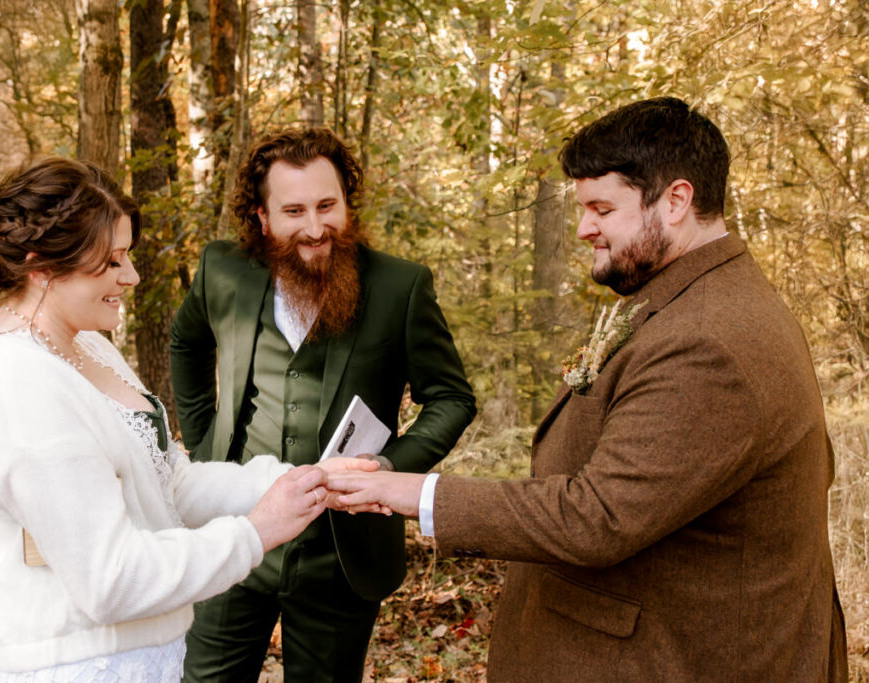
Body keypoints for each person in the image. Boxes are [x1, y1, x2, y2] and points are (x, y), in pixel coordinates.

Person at [328, 97, 848, 681]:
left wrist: (410, 493)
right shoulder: (688, 297)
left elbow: (597, 517)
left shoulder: (710, 340)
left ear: (676, 200)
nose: (583, 229)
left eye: (602, 208)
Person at [0, 157, 375, 681]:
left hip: (146, 659)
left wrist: (296, 481)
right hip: (72, 666)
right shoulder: (17, 387)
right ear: (41, 266)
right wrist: (255, 533)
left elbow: (168, 485)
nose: (132, 277)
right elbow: (110, 578)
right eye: (112, 262)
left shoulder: (87, 349)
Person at [170, 127, 476, 682]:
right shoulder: (222, 270)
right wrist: (202, 436)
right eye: (294, 210)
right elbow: (186, 343)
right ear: (263, 218)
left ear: (346, 203)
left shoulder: (400, 287)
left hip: (341, 554)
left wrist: (388, 470)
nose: (315, 228)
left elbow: (451, 398)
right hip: (230, 537)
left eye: (327, 205)